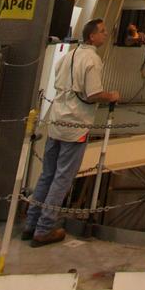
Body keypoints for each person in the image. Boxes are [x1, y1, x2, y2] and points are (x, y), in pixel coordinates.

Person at [23, 17, 119, 246]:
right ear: (92, 36)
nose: (106, 35)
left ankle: (30, 223)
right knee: (62, 178)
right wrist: (112, 96)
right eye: (102, 32)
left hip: (57, 120)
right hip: (76, 124)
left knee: (47, 174)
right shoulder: (92, 61)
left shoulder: (68, 56)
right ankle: (44, 228)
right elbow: (93, 93)